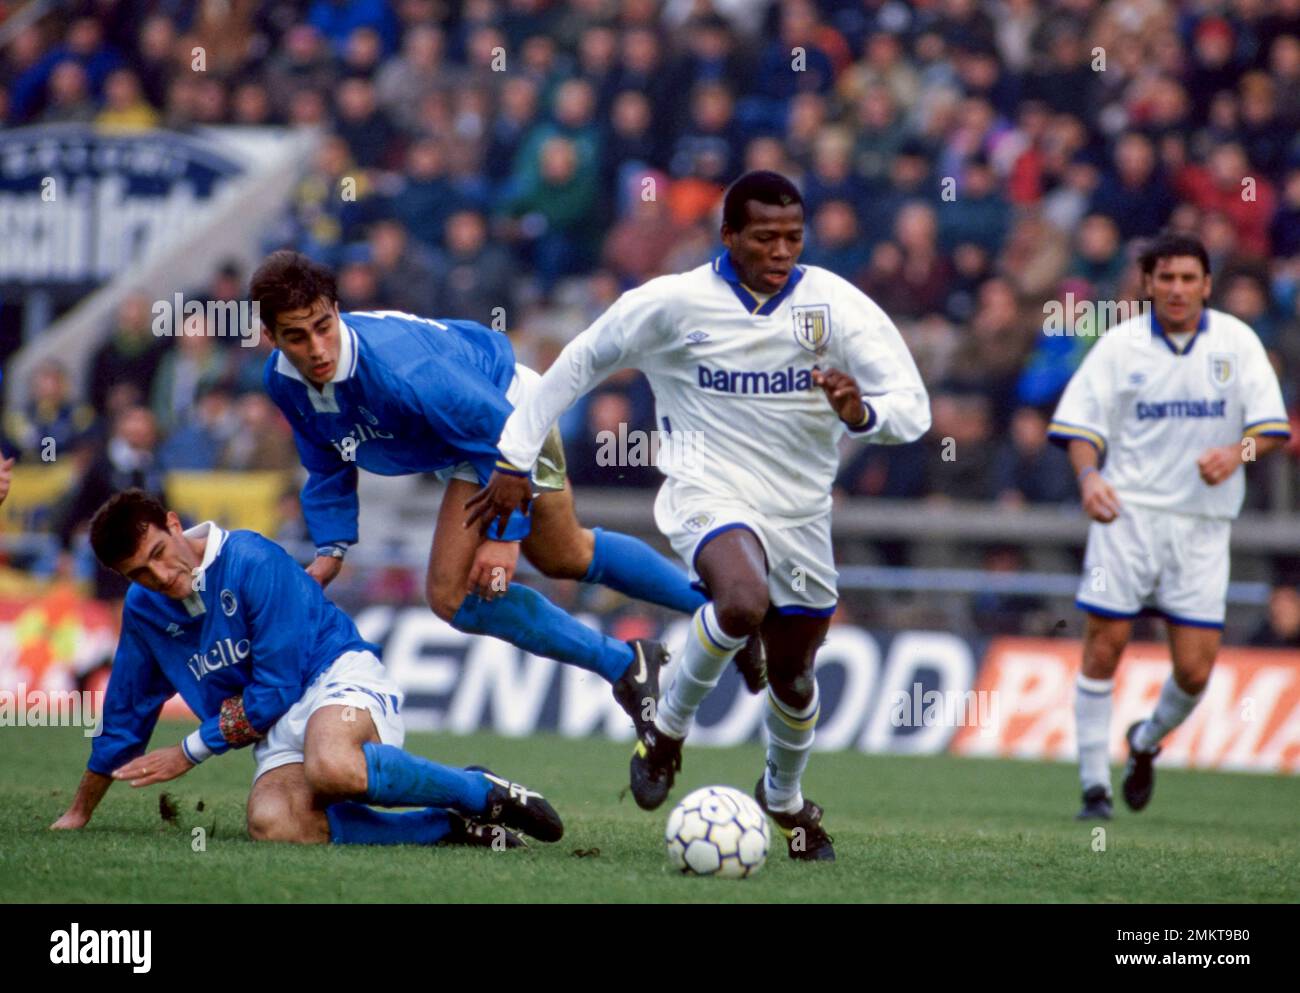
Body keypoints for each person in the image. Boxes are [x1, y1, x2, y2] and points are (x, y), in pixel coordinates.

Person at [468, 171, 931, 861]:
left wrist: (862, 413)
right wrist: (514, 457)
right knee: (742, 602)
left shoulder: (837, 308)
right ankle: (667, 729)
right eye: (765, 237)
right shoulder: (674, 303)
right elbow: (576, 363)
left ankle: (783, 795)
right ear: (729, 237)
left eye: (793, 238)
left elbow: (914, 409)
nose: (781, 251)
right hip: (705, 491)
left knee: (795, 679)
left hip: (800, 512)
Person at [250, 251, 749, 744]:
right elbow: (326, 453)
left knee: (451, 594)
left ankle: (655, 651)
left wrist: (503, 538)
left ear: (337, 309)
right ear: (271, 337)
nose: (317, 348)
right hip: (460, 442)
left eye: (323, 325)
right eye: (297, 335)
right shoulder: (283, 378)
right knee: (567, 554)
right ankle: (720, 617)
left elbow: (499, 431)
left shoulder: (406, 369)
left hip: (508, 421)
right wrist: (332, 548)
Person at [50, 489, 562, 849]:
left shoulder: (252, 560)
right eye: (138, 572)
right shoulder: (145, 607)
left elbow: (275, 688)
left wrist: (188, 750)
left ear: (175, 524)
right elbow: (126, 709)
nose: (159, 576)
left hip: (336, 678)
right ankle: (445, 829)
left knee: (333, 766)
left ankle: (481, 791)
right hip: (276, 726)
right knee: (274, 823)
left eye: (159, 553)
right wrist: (80, 811)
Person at [1048, 231, 1291, 820]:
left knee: (1195, 668)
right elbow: (1079, 430)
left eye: (1189, 278)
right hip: (1126, 517)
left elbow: (1273, 434)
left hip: (1202, 527)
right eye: (1167, 278)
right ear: (1148, 284)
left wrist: (1237, 455)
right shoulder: (1119, 346)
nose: (1178, 289)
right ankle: (1092, 789)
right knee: (1104, 647)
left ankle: (1145, 740)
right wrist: (1089, 480)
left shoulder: (1238, 343)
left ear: (1207, 284)